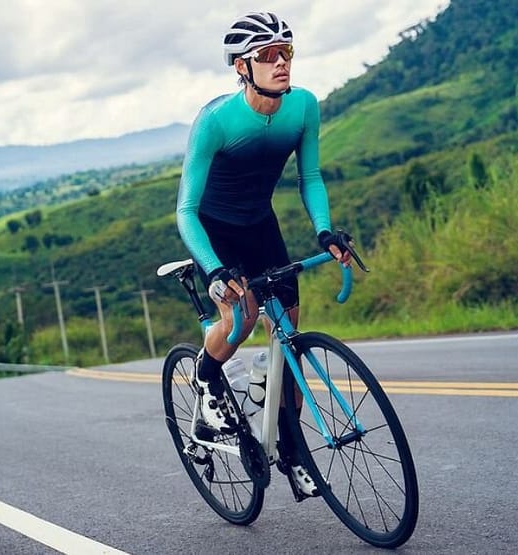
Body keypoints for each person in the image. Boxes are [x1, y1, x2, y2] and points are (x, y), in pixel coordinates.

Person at [175, 11, 351, 496]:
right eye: (267, 56)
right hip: (214, 231)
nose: (280, 63)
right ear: (241, 66)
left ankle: (292, 449)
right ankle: (208, 379)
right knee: (243, 318)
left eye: (286, 52)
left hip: (259, 225)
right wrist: (212, 267)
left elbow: (309, 177)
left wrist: (324, 232)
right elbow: (186, 210)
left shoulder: (303, 108)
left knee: (289, 329)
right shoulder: (216, 121)